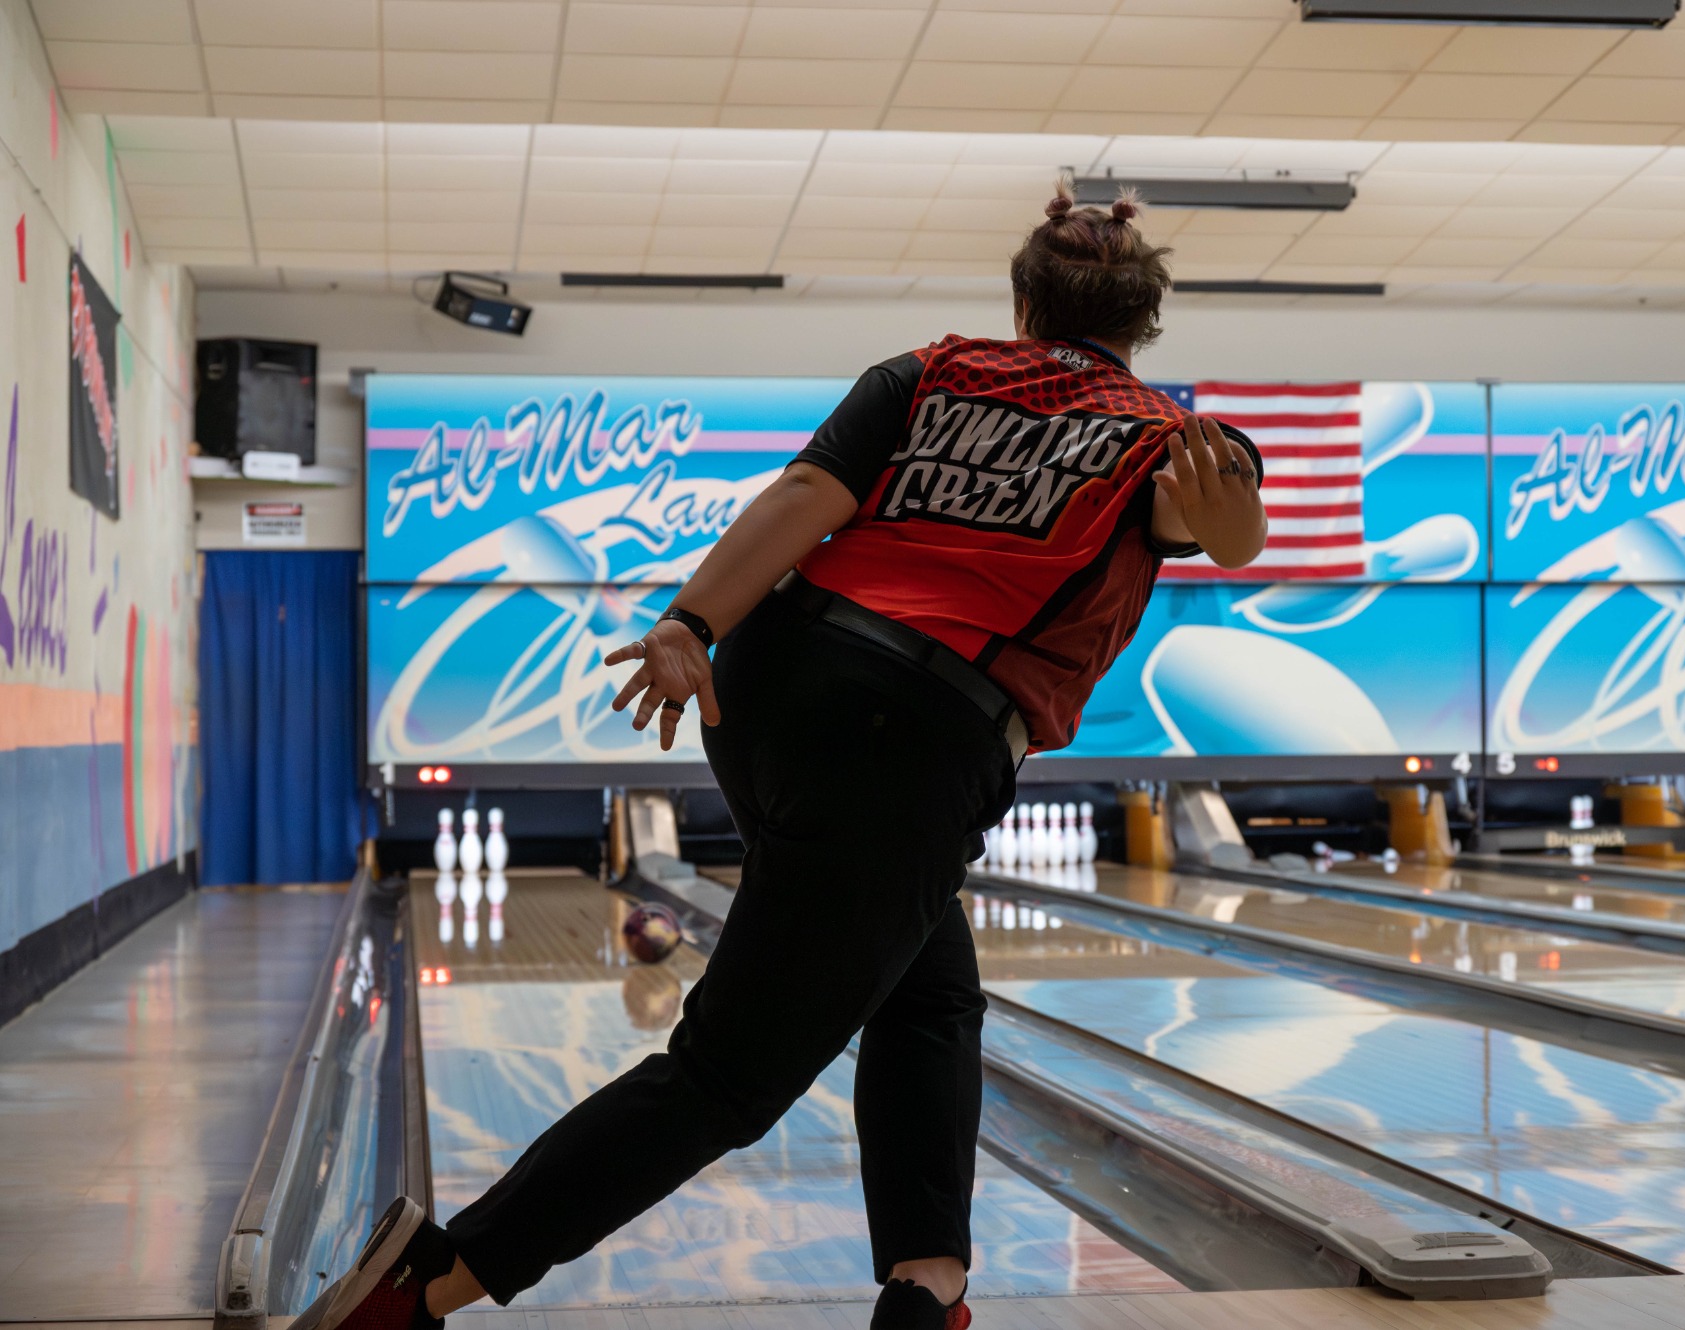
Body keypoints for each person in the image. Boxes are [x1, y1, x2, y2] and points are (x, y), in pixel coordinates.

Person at [298, 185, 1266, 1330]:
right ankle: (432, 1281)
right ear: (1142, 322)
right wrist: (1224, 511)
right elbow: (1228, 527)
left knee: (927, 994)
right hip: (910, 737)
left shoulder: (926, 371)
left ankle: (926, 1288)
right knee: (728, 1076)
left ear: (1021, 303)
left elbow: (807, 496)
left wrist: (685, 624)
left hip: (761, 688)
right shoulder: (1168, 438)